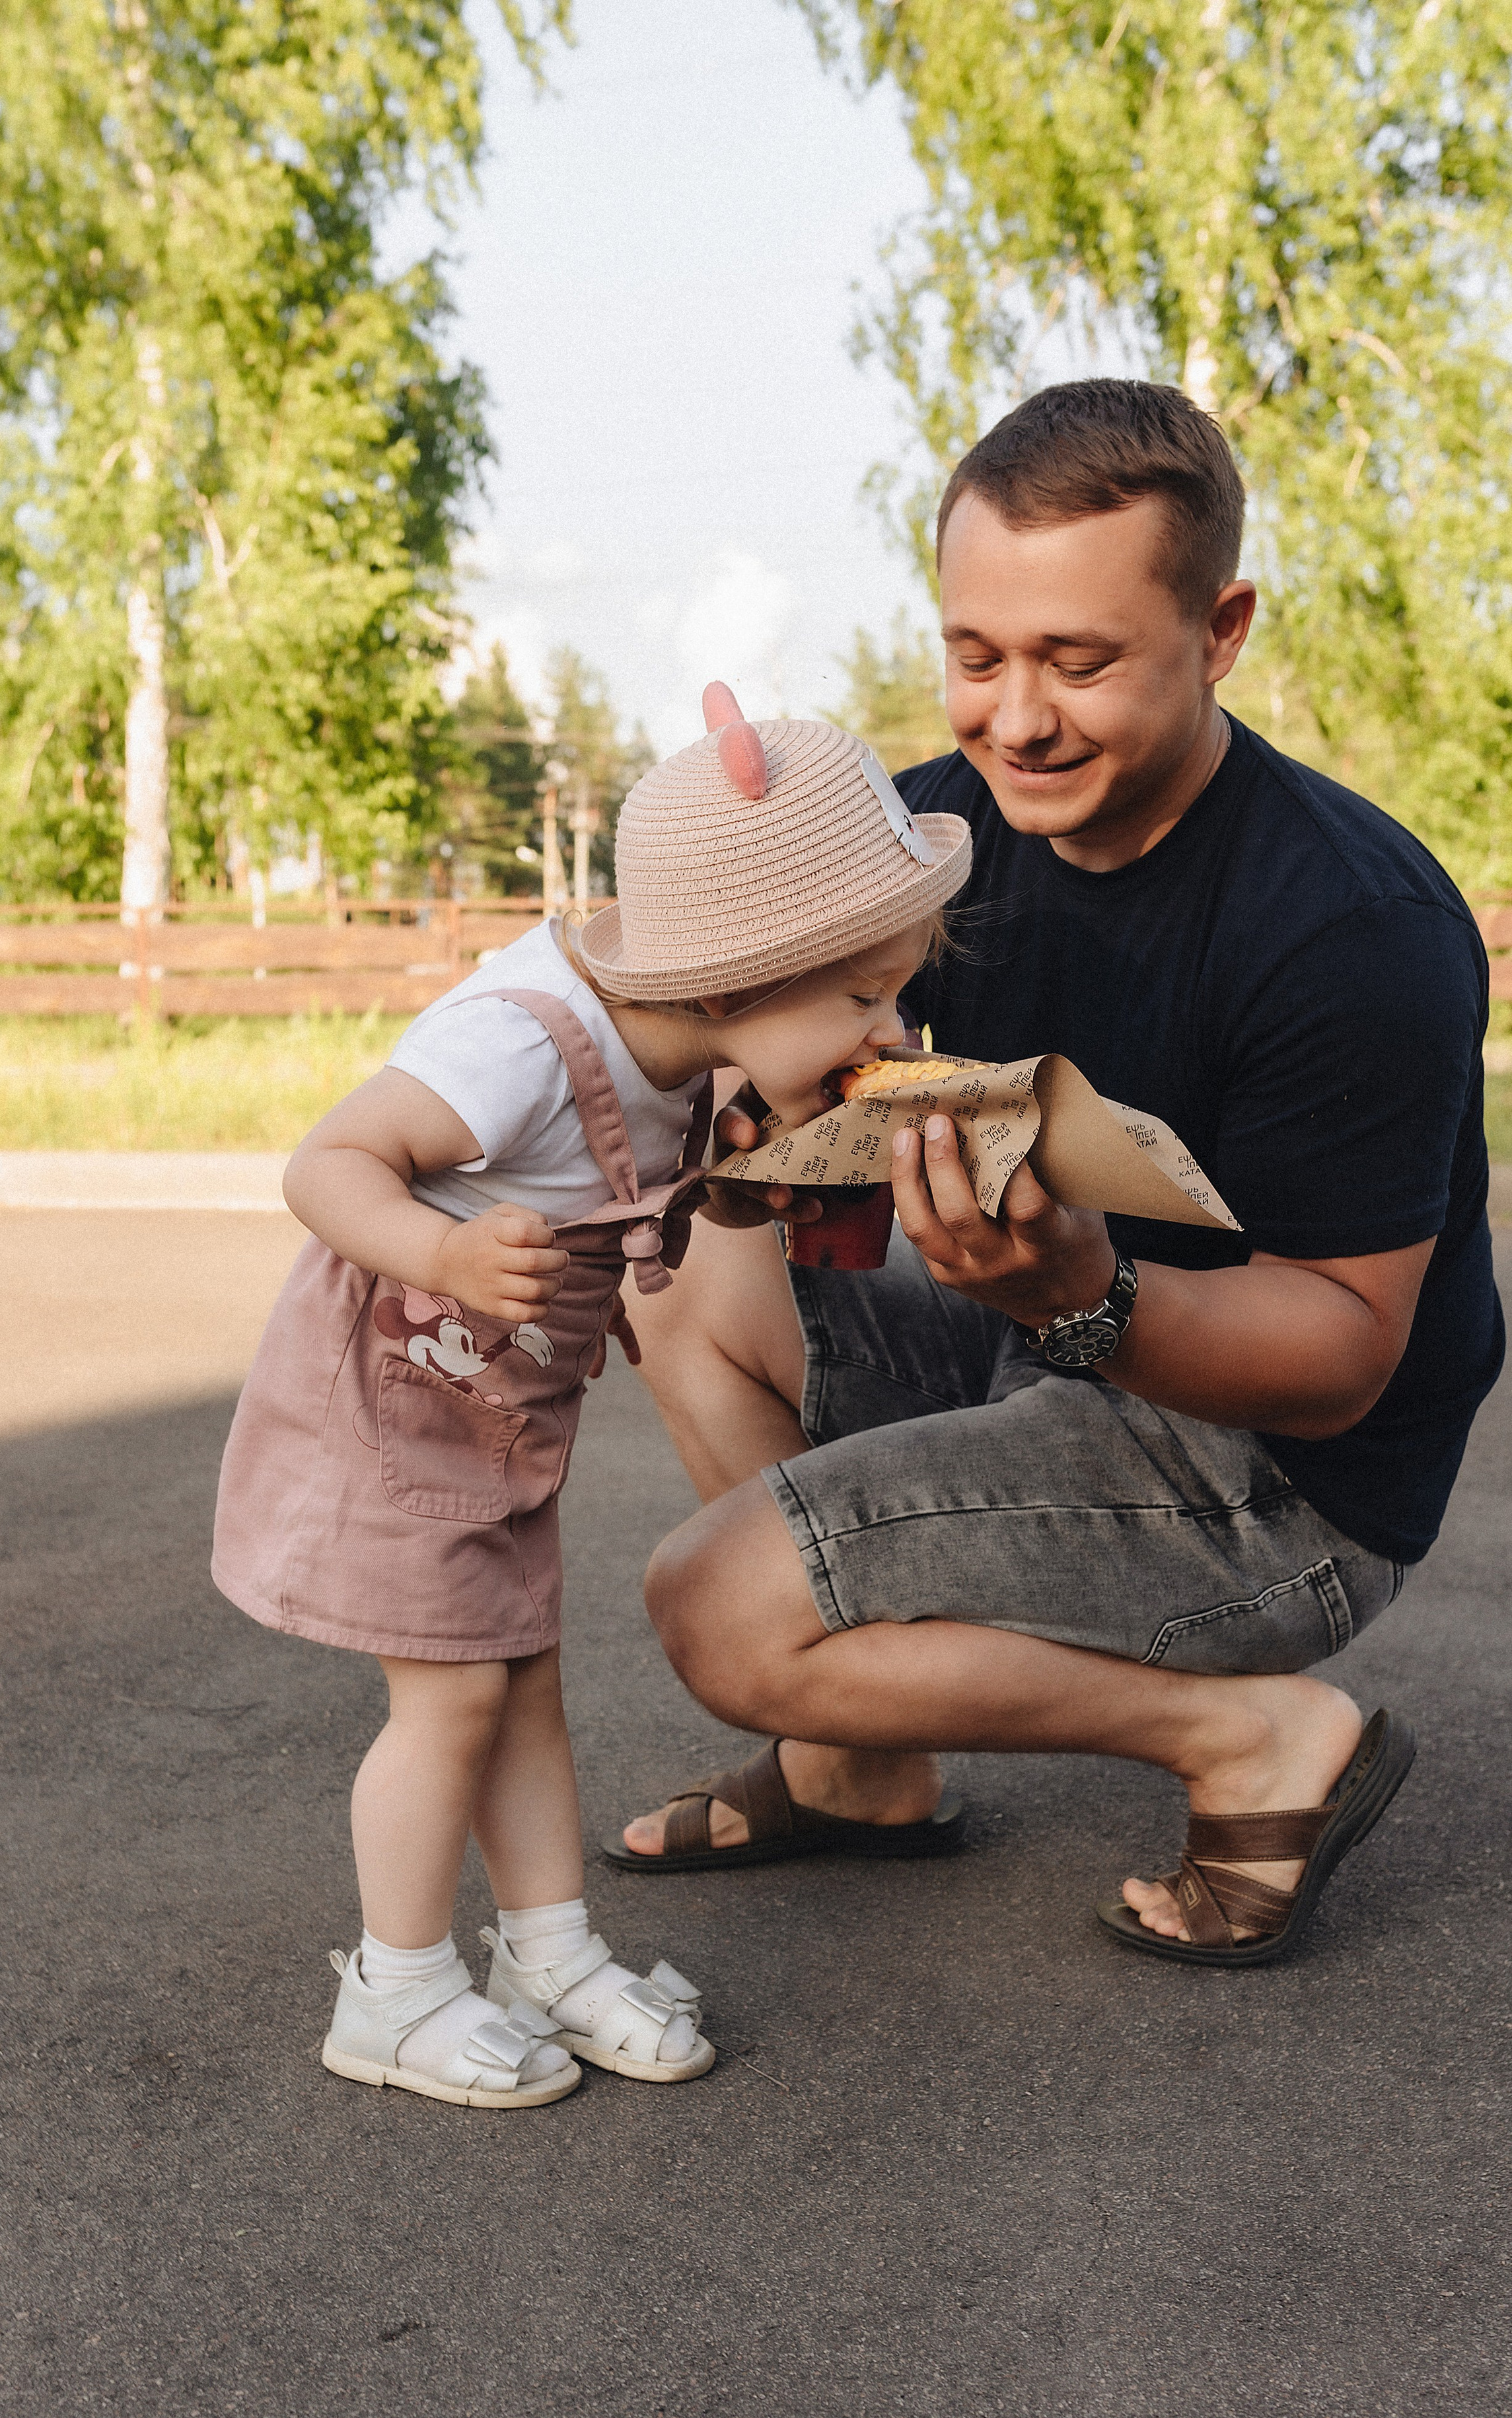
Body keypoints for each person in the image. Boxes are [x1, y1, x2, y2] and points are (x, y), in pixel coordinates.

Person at [608, 378, 1502, 1967]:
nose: (1014, 718)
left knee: (719, 1611)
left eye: (1076, 661)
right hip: (1057, 1338)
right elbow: (785, 1085)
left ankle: (1256, 1741)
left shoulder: (1350, 926)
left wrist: (1080, 1296)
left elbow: (1341, 1361)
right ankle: (861, 1764)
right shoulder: (924, 838)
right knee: (681, 1271)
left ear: (1219, 630)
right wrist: (754, 1155)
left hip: (1284, 1481)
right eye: (975, 655)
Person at [210, 690, 971, 2104]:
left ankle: (547, 1954)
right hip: (395, 1401)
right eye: (865, 995)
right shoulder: (515, 1043)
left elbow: (641, 1184)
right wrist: (445, 1251)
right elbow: (326, 1164)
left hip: (497, 1412)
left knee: (522, 1681)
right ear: (731, 982)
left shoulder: (685, 1048)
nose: (896, 1024)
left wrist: (748, 1172)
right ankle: (393, 1988)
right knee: (449, 1700)